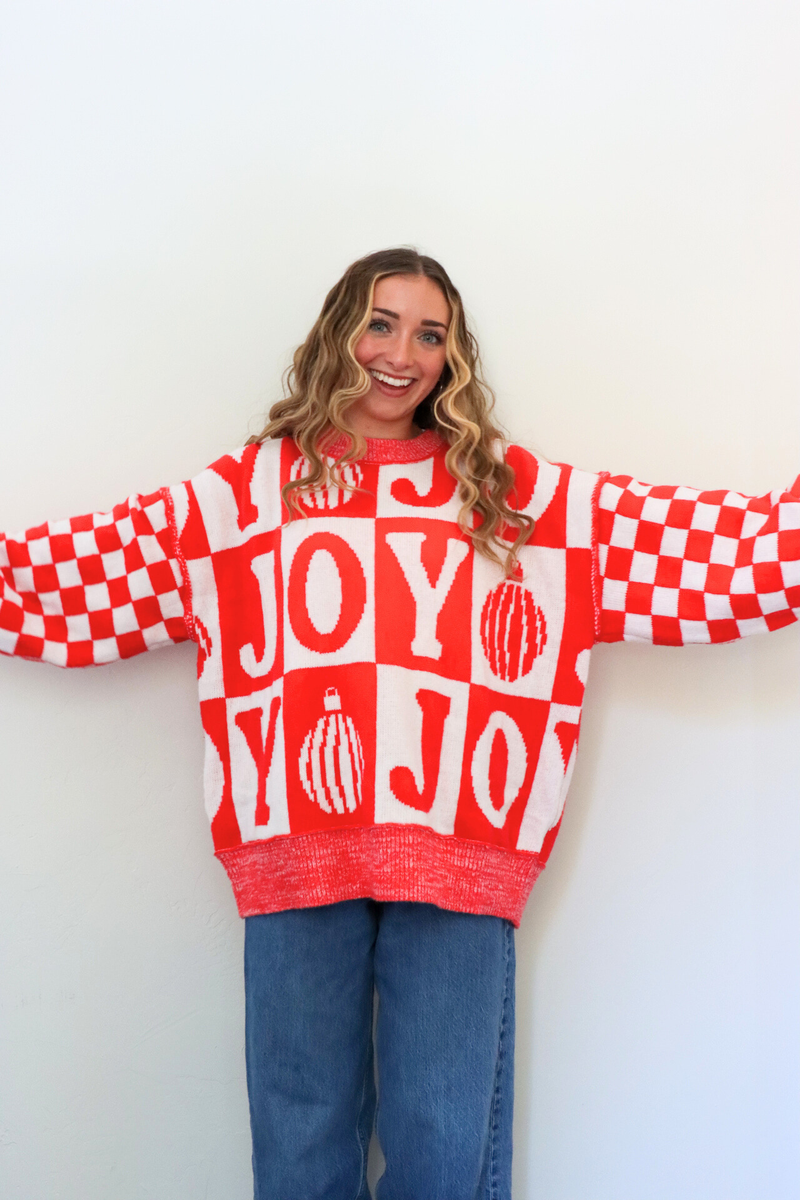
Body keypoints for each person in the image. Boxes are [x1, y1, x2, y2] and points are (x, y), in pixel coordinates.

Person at [1, 246, 798, 1200]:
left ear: (452, 358)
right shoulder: (247, 495)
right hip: (293, 855)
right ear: (338, 330)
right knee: (299, 1147)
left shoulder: (512, 499)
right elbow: (82, 577)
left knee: (442, 1148)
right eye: (381, 322)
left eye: (430, 334)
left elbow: (705, 552)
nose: (402, 353)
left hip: (461, 855)